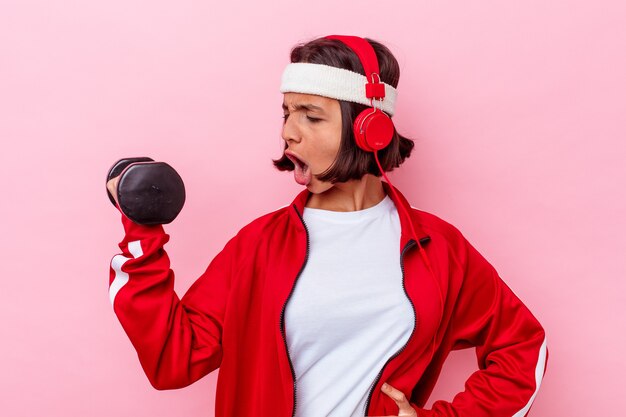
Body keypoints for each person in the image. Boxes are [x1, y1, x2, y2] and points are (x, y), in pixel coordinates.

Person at [106, 35, 548, 417]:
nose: (289, 133)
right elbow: (173, 360)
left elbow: (522, 347)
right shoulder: (259, 245)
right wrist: (143, 230)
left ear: (370, 129)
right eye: (287, 113)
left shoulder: (437, 248)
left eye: (311, 116)